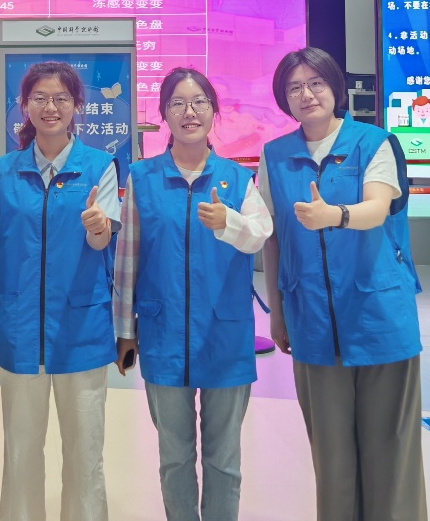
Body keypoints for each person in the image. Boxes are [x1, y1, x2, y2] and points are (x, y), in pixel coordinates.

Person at [259, 47, 427, 521]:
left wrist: (335, 215)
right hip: (311, 321)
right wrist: (276, 312)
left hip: (379, 319)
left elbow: (378, 207)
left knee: (390, 453)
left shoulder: (374, 143)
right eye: (294, 87)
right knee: (331, 458)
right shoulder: (275, 157)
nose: (306, 94)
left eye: (316, 83)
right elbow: (272, 239)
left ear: (336, 88)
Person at [114, 68, 272, 521]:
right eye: (178, 103)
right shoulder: (143, 178)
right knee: (175, 458)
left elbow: (260, 235)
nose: (190, 112)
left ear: (214, 111)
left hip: (225, 336)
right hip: (163, 333)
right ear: (163, 114)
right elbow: (127, 259)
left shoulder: (237, 179)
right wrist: (125, 331)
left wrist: (230, 222)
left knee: (224, 460)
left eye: (200, 101)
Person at [0, 61, 121, 521]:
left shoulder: (99, 167)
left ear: (78, 106)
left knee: (85, 453)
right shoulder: (6, 170)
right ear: (24, 106)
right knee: (21, 451)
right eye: (39, 98)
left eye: (61, 98)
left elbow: (103, 242)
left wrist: (98, 227)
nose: (50, 107)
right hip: (18, 328)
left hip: (82, 328)